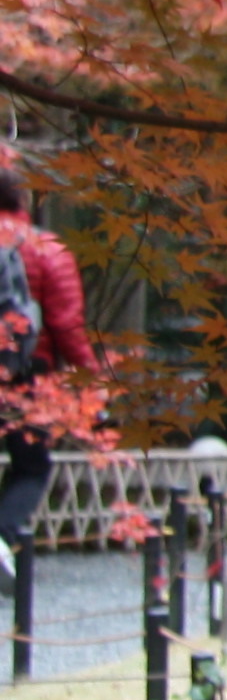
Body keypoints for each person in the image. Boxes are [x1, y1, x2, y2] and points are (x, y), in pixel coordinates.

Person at [0, 160, 99, 550]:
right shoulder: (45, 248)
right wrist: (90, 380)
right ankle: (3, 538)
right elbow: (66, 326)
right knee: (31, 465)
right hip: (29, 369)